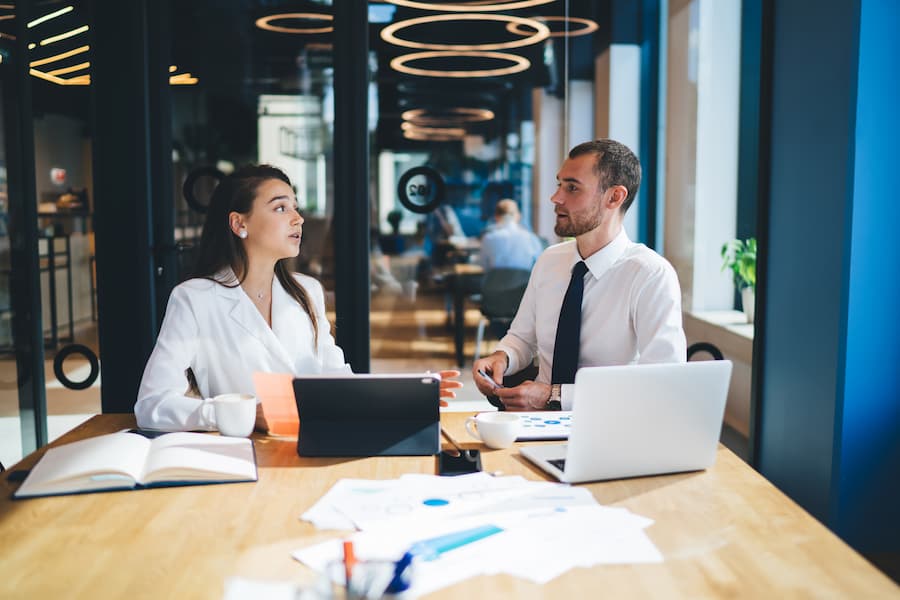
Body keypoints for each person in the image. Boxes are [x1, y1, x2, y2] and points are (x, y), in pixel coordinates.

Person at [136, 165, 461, 431]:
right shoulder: (195, 298)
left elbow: (335, 378)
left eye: (295, 206)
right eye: (280, 207)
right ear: (239, 223)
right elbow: (152, 405)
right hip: (242, 458)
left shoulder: (307, 291)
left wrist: (402, 395)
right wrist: (237, 414)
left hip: (314, 445)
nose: (298, 218)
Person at [472, 139, 686, 411]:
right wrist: (503, 357)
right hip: (535, 422)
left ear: (614, 197)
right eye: (559, 184)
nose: (556, 198)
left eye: (572, 187)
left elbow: (663, 382)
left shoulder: (650, 275)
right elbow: (522, 338)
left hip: (612, 423)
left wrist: (554, 396)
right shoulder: (550, 260)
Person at [478, 199, 544, 271]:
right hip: (524, 281)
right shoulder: (531, 238)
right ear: (519, 216)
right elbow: (539, 265)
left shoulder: (488, 238)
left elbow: (483, 265)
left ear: (496, 216)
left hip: (495, 281)